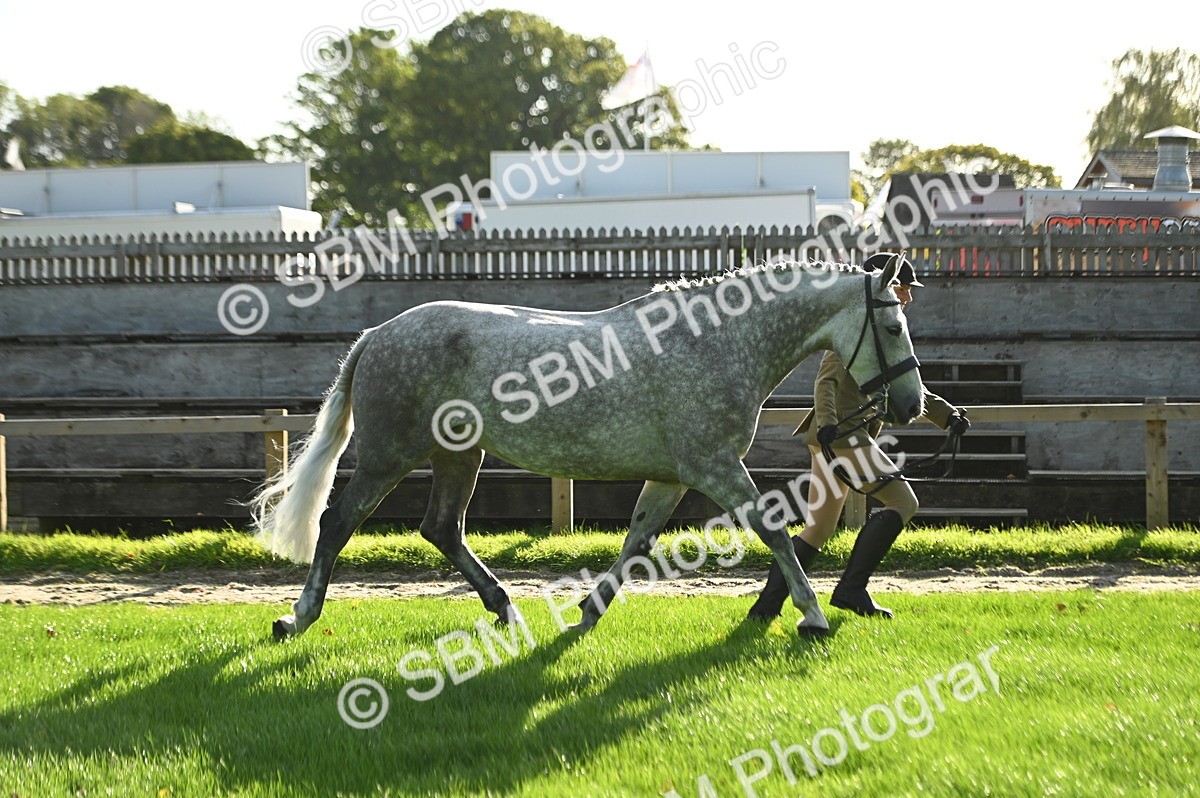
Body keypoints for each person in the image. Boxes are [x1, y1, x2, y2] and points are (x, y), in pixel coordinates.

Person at [747, 252, 970, 620]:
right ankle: (851, 590)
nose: (908, 297)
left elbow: (909, 391)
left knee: (818, 528)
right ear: (880, 285)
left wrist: (948, 418)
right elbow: (826, 382)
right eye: (903, 287)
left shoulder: (876, 332)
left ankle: (765, 608)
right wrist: (831, 423)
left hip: (830, 438)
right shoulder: (854, 330)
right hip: (842, 438)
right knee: (903, 503)